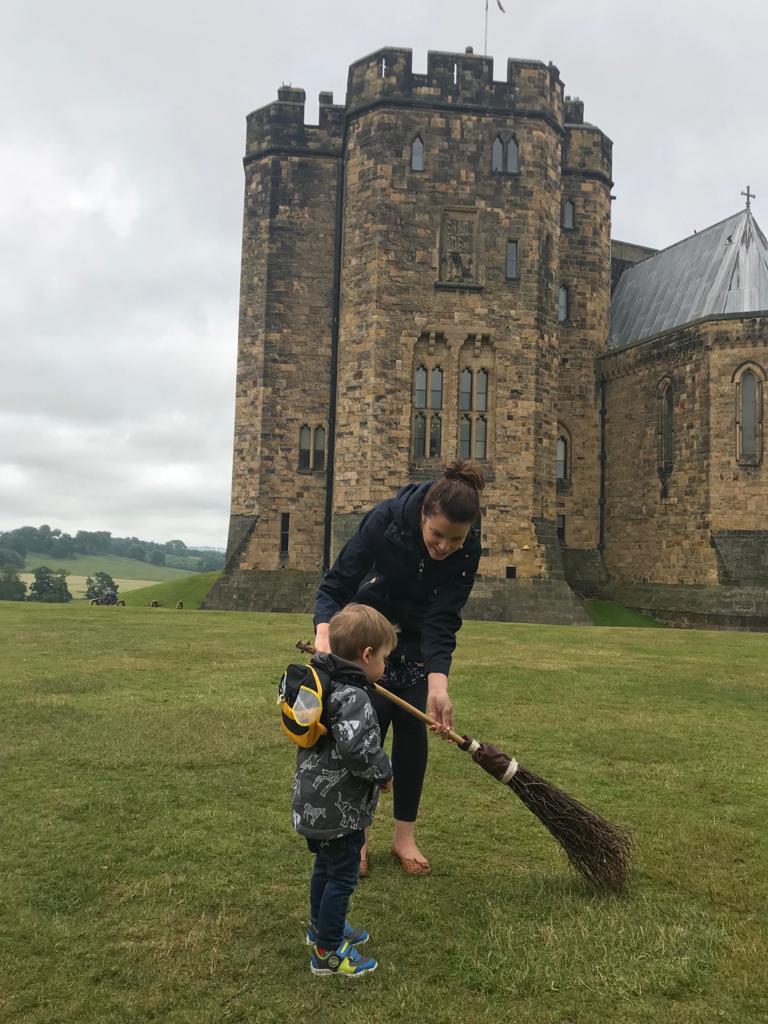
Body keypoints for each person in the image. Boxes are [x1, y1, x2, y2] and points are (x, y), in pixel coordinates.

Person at [313, 459, 484, 876]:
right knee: (363, 733)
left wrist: (438, 684)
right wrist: (325, 640)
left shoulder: (467, 551)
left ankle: (403, 837)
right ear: (423, 515)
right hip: (367, 640)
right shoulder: (384, 522)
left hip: (414, 643)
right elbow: (335, 585)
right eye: (437, 534)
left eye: (455, 539)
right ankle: (360, 837)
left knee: (413, 731)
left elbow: (443, 620)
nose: (443, 546)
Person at [293, 603, 396, 978]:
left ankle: (321, 929)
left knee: (325, 865)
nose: (385, 667)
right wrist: (385, 773)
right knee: (342, 876)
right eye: (384, 658)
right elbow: (361, 752)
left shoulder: (321, 682)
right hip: (340, 809)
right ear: (367, 655)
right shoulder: (355, 697)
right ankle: (328, 952)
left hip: (311, 801)